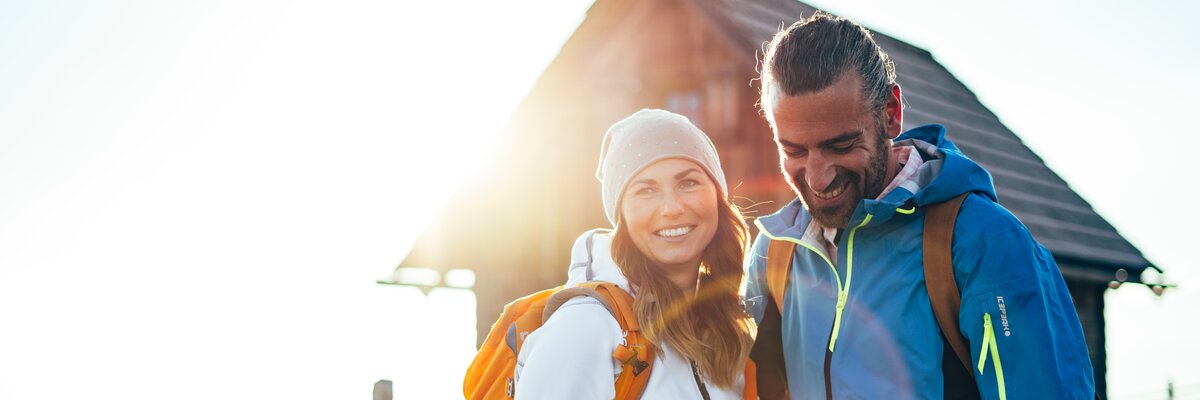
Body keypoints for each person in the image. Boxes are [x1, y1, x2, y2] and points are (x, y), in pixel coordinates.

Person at [742, 12, 1097, 399]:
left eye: (841, 145)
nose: (817, 177)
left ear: (891, 114)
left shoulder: (982, 243)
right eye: (793, 150)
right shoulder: (772, 254)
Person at [513, 109, 756, 399]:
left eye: (688, 182)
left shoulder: (728, 327)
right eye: (646, 190)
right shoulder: (583, 327)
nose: (672, 207)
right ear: (622, 215)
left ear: (717, 195)